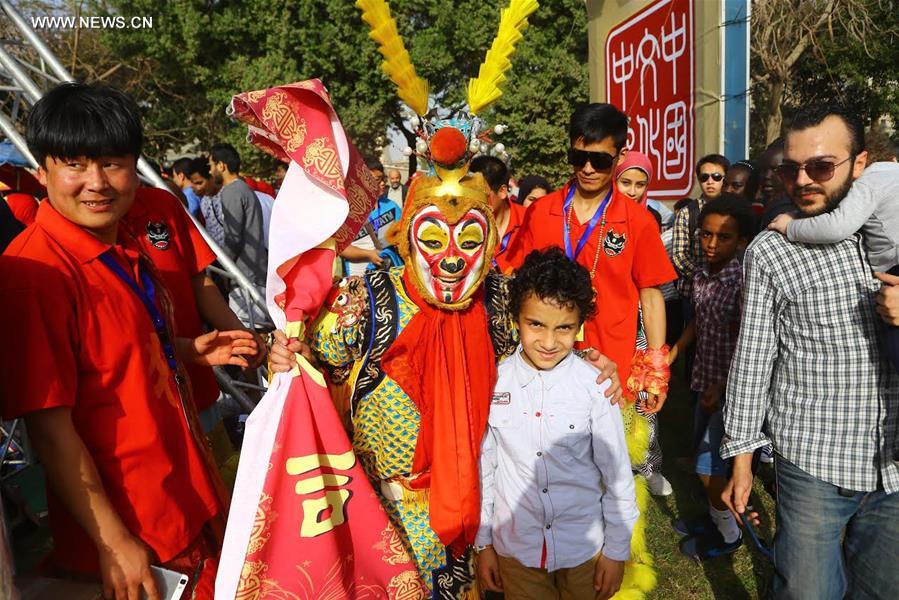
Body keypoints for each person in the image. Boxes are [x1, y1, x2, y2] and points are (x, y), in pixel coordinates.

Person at [0, 82, 238, 600]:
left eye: (112, 163)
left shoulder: (121, 244)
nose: (97, 183)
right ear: (42, 173)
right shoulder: (36, 274)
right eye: (75, 164)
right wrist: (113, 544)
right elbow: (51, 429)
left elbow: (111, 360)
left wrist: (183, 348)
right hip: (137, 533)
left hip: (189, 495)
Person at [720, 102, 899, 599]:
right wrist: (741, 458)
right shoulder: (772, 250)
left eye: (820, 167)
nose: (803, 181)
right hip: (814, 460)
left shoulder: (893, 227)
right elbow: (754, 357)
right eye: (790, 169)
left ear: (859, 164)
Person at [476, 248, 637, 600]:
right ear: (516, 317)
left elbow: (617, 474)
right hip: (517, 549)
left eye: (563, 328)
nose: (549, 342)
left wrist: (616, 551)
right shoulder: (495, 384)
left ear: (579, 325)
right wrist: (484, 542)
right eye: (536, 324)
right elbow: (486, 469)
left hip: (584, 549)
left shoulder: (595, 387)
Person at [667, 195, 755, 559]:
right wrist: (672, 353)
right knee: (704, 454)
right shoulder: (702, 275)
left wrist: (723, 386)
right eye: (706, 235)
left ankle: (730, 532)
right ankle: (714, 516)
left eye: (724, 237)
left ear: (743, 241)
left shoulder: (743, 281)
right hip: (704, 380)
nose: (712, 245)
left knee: (708, 467)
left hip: (731, 388)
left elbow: (753, 340)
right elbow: (699, 324)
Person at [768, 159, 899, 371]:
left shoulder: (867, 183)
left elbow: (836, 226)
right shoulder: (893, 171)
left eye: (823, 169)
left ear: (857, 165)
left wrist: (791, 226)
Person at [208, 143, 269, 328]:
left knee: (248, 333)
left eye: (211, 165)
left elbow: (233, 237)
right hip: (256, 270)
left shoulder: (232, 191)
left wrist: (223, 267)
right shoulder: (244, 188)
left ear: (221, 166)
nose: (210, 171)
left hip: (246, 274)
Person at [671, 153, 730, 301]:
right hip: (693, 294)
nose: (710, 182)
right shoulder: (687, 213)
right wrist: (704, 277)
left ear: (726, 178)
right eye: (704, 177)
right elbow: (679, 255)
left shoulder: (733, 210)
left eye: (716, 177)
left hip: (728, 292)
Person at [339, 160, 402, 275]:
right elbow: (342, 248)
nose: (382, 183)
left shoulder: (392, 206)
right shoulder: (348, 212)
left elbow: (403, 239)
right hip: (359, 278)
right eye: (377, 180)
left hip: (392, 274)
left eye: (383, 179)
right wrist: (368, 254)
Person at [469, 154, 526, 264]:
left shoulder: (529, 221)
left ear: (502, 192)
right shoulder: (462, 224)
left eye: (481, 194)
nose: (474, 201)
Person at [614, 150, 674, 227]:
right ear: (615, 181)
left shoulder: (651, 218)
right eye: (626, 183)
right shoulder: (599, 214)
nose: (632, 192)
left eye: (640, 185)